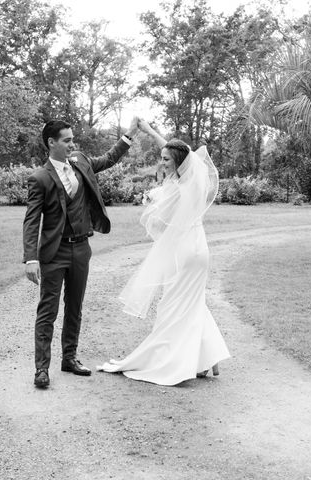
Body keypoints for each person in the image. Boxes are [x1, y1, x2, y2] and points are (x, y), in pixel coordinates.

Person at [97, 119, 230, 385]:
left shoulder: (180, 188)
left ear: (179, 161)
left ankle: (177, 361)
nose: (163, 162)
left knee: (172, 307)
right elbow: (177, 151)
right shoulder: (194, 180)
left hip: (184, 253)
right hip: (198, 250)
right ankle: (209, 359)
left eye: (166, 159)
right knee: (192, 303)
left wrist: (152, 202)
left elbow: (159, 224)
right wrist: (149, 132)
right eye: (162, 158)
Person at [23, 117, 139, 389]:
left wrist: (130, 134)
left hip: (81, 248)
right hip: (54, 251)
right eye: (67, 140)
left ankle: (70, 358)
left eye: (72, 139)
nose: (72, 144)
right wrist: (31, 258)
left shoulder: (80, 161)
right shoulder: (39, 178)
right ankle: (42, 369)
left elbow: (109, 159)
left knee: (75, 307)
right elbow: (31, 220)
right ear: (51, 143)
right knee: (47, 312)